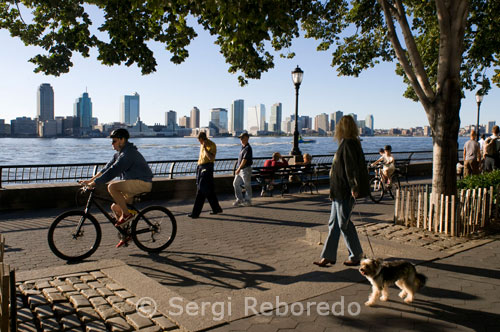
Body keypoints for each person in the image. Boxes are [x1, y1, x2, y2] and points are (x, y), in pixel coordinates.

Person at [81, 128, 153, 247]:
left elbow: (113, 171)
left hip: (142, 182)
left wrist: (95, 184)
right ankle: (126, 235)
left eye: (114, 141)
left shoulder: (128, 154)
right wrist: (90, 180)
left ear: (122, 140)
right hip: (132, 183)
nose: (112, 144)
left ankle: (127, 214)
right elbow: (106, 169)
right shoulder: (119, 154)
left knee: (112, 187)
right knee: (115, 207)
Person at [313, 116, 369, 267]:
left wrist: (354, 187)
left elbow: (351, 169)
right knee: (334, 223)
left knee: (343, 223)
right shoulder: (349, 143)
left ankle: (356, 255)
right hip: (338, 190)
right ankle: (328, 256)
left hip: (344, 191)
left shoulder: (349, 144)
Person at [188, 132, 223, 218]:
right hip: (200, 167)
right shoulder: (201, 145)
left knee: (201, 190)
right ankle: (216, 208)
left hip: (207, 167)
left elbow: (211, 158)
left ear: (202, 138)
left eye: (199, 140)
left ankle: (195, 213)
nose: (199, 142)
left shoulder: (211, 145)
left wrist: (205, 148)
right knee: (209, 190)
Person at [233, 132, 253, 207]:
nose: (241, 139)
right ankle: (239, 199)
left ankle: (248, 201)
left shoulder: (248, 148)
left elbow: (244, 160)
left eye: (242, 138)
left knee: (247, 185)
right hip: (241, 169)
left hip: (245, 169)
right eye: (240, 138)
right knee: (235, 183)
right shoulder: (243, 147)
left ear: (247, 138)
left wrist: (238, 168)